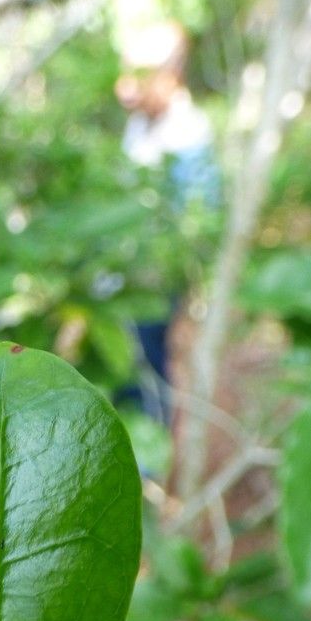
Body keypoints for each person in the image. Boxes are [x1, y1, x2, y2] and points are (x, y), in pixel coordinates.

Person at [114, 23, 219, 425]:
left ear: (170, 75)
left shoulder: (188, 135)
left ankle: (148, 453)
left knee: (146, 370)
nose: (128, 87)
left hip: (151, 281)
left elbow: (196, 224)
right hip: (123, 277)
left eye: (140, 74)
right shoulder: (140, 124)